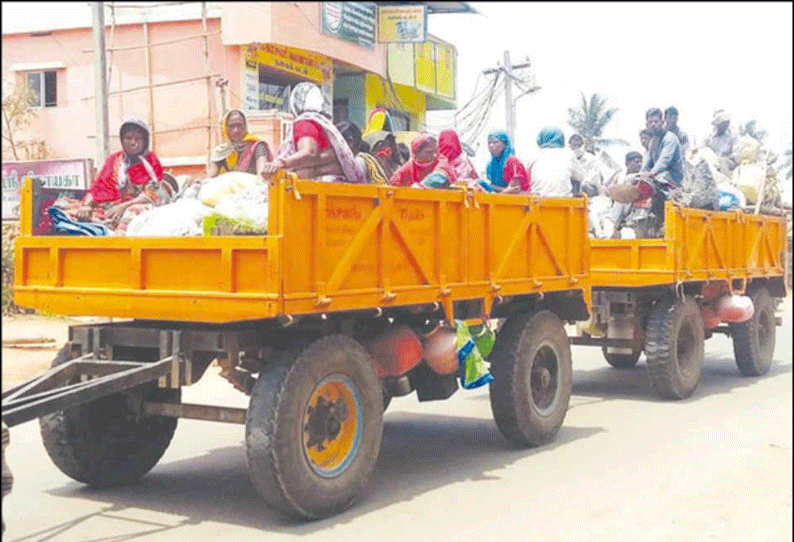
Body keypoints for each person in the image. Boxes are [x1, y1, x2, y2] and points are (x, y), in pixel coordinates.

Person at [72, 118, 173, 232]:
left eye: (138, 139)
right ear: (122, 140)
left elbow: (153, 193)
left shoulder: (151, 161)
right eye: (128, 138)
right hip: (110, 207)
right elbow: (97, 189)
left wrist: (124, 207)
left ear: (145, 141)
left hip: (138, 207)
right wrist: (86, 205)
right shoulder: (113, 160)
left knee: (133, 212)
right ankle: (104, 225)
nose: (133, 143)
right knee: (66, 206)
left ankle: (117, 240)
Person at [260, 82, 363, 183]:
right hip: (335, 188)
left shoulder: (305, 123)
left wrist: (281, 163)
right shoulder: (323, 125)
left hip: (314, 192)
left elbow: (309, 152)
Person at [208, 109, 272, 178]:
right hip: (228, 187)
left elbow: (261, 174)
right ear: (225, 128)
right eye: (232, 126)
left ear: (245, 126)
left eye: (240, 125)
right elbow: (211, 177)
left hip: (252, 186)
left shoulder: (257, 147)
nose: (236, 130)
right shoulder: (221, 152)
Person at [527, 127, 582, 197]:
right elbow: (580, 176)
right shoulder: (569, 154)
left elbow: (526, 176)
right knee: (575, 178)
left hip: (536, 200)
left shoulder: (534, 154)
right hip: (565, 200)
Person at [389, 133, 457, 189]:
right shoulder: (411, 166)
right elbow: (395, 180)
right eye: (429, 152)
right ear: (416, 154)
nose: (435, 155)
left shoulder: (441, 161)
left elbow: (440, 175)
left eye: (436, 151)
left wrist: (421, 186)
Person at [706, 109, 737, 175]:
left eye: (727, 122)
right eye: (723, 123)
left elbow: (735, 154)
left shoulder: (732, 136)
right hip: (712, 162)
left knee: (722, 162)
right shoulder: (709, 137)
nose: (726, 125)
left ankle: (723, 182)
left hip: (727, 162)